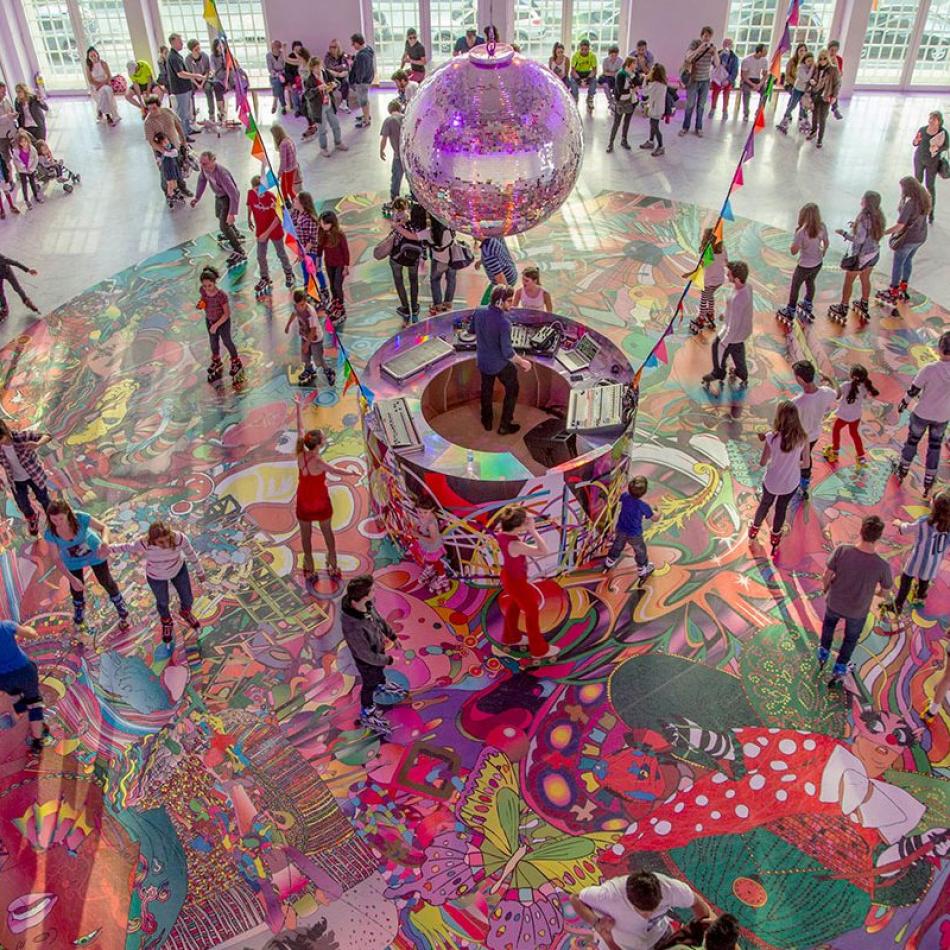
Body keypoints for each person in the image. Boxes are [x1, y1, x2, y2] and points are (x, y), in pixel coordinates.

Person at [820, 515, 892, 689]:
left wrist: (826, 589)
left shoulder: (842, 550)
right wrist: (872, 591)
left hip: (835, 601)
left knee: (829, 627)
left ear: (861, 531)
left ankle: (823, 653)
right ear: (878, 537)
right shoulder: (882, 565)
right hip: (858, 610)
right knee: (850, 639)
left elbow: (826, 575)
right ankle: (839, 667)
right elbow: (885, 592)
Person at [571, 869, 713, 950]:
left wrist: (708, 931)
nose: (648, 915)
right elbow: (575, 898)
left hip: (661, 937)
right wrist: (596, 923)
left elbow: (696, 901)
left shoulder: (670, 888)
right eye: (642, 911)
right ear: (628, 899)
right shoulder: (608, 895)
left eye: (653, 908)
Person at [44, 499, 130, 632]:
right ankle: (79, 608)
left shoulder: (80, 518)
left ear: (68, 513)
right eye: (54, 520)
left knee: (105, 580)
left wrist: (105, 542)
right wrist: (72, 579)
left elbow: (103, 527)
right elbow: (55, 558)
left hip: (95, 552)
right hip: (72, 560)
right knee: (76, 587)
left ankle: (119, 602)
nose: (58, 523)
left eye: (61, 519)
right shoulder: (50, 533)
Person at [111, 522, 204, 644]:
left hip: (178, 569)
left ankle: (185, 612)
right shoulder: (144, 543)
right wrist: (107, 548)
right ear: (152, 539)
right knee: (162, 601)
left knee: (187, 597)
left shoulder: (179, 538)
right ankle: (166, 621)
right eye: (161, 542)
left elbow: (190, 554)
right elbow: (126, 547)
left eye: (167, 539)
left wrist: (200, 571)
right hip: (156, 576)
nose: (166, 544)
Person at [341, 573, 401, 734]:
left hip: (377, 650)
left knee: (378, 673)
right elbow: (364, 654)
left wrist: (392, 636)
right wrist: (387, 659)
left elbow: (379, 620)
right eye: (372, 590)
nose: (375, 591)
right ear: (363, 596)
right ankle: (367, 712)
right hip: (367, 661)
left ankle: (381, 683)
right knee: (369, 684)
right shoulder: (353, 626)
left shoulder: (366, 605)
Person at [294, 394, 347, 579]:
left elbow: (300, 428)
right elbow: (337, 471)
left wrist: (298, 407)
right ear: (320, 444)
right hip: (320, 501)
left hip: (304, 501)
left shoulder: (300, 452)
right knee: (327, 532)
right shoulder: (318, 461)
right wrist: (352, 473)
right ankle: (333, 564)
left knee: (305, 535)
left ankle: (309, 565)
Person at [495, 505, 556, 659]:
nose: (529, 521)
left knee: (515, 605)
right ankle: (539, 650)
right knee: (532, 611)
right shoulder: (516, 545)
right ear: (518, 526)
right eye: (525, 521)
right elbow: (544, 551)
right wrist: (533, 531)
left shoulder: (501, 534)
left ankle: (511, 637)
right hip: (516, 582)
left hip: (509, 576)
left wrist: (524, 523)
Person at [748, 401, 809, 555]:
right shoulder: (803, 438)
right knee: (781, 508)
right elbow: (806, 463)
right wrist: (793, 464)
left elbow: (763, 462)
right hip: (790, 483)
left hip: (772, 481)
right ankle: (775, 540)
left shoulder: (772, 437)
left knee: (765, 504)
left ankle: (753, 532)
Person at [894, 329, 950, 496]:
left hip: (922, 413)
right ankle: (929, 479)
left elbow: (914, 389)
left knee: (912, 441)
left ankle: (903, 468)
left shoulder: (929, 369)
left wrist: (904, 403)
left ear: (940, 348)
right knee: (935, 447)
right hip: (942, 416)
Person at [475, 285, 531, 435]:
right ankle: (505, 425)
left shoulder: (479, 311)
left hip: (482, 361)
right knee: (513, 388)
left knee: (486, 390)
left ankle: (487, 421)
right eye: (509, 301)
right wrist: (523, 362)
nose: (511, 305)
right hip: (499, 364)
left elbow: (471, 331)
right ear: (500, 302)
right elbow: (508, 353)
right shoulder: (503, 323)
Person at [886, 491, 949, 616]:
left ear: (934, 507)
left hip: (918, 558)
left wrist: (898, 523)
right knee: (925, 579)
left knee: (906, 578)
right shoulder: (948, 525)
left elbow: (907, 528)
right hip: (934, 561)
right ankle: (920, 597)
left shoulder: (925, 521)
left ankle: (898, 604)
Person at [827, 190, 885, 324]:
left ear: (866, 202)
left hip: (862, 256)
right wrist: (856, 226)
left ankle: (843, 307)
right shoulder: (879, 216)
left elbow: (859, 239)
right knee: (865, 278)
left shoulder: (863, 218)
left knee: (849, 281)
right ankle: (864, 303)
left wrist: (844, 234)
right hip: (874, 253)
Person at [878, 176, 931, 304]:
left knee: (898, 263)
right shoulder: (925, 199)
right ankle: (903, 287)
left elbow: (900, 226)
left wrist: (883, 232)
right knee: (908, 260)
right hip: (921, 236)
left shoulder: (910, 204)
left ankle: (893, 290)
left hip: (908, 238)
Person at [0, 620, 50, 754]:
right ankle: (37, 741)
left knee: (15, 695)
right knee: (34, 702)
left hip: (3, 679)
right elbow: (32, 634)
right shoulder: (5, 626)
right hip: (24, 671)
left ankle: (20, 716)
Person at [791, 359, 837, 498]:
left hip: (799, 438)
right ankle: (804, 484)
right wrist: (830, 380)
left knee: (796, 459)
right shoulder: (826, 392)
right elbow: (837, 393)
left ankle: (794, 482)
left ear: (799, 379)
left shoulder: (797, 402)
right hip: (814, 435)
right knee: (807, 456)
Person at [702, 260, 752, 388]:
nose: (727, 276)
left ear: (736, 279)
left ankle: (718, 373)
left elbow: (733, 326)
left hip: (734, 333)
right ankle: (742, 374)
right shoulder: (747, 287)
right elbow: (736, 311)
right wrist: (725, 313)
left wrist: (724, 342)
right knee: (738, 352)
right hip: (741, 331)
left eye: (729, 274)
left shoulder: (738, 299)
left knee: (717, 347)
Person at [191, 151, 245, 265]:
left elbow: (234, 194)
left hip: (228, 198)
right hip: (219, 196)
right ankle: (235, 232)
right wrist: (197, 197)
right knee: (218, 215)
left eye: (205, 163)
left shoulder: (222, 174)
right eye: (201, 163)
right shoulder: (205, 170)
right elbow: (202, 181)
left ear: (213, 160)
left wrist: (232, 213)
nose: (202, 166)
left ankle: (239, 250)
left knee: (223, 225)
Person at [776, 202, 828, 323]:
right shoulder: (822, 226)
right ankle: (808, 304)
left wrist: (795, 240)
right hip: (818, 263)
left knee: (795, 286)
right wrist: (824, 251)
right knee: (810, 282)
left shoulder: (802, 232)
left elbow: (794, 251)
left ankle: (790, 309)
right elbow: (826, 241)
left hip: (804, 265)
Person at [0, 419, 52, 536]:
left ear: (6, 432)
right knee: (22, 503)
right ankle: (32, 518)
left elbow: (47, 436)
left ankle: (52, 518)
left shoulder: (21, 436)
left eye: (1, 440)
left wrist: (37, 444)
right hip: (16, 480)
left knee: (43, 498)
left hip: (34, 475)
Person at [246, 174, 294, 293]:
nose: (259, 192)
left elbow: (278, 218)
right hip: (261, 230)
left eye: (261, 189)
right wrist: (248, 218)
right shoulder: (251, 194)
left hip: (274, 230)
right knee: (260, 255)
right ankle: (265, 277)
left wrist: (266, 234)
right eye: (256, 190)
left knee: (281, 253)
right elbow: (249, 206)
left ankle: (288, 272)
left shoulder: (271, 197)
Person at [823, 364, 878, 466]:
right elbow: (864, 396)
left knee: (836, 429)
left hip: (844, 416)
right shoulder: (865, 387)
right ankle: (861, 456)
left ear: (852, 376)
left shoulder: (845, 386)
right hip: (856, 417)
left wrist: (830, 380)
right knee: (854, 434)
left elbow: (836, 395)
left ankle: (835, 451)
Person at [196, 265, 242, 384]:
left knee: (227, 341)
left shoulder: (221, 295)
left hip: (222, 322)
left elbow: (227, 314)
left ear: (214, 282)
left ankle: (236, 361)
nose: (207, 288)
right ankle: (216, 360)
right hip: (210, 320)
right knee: (213, 342)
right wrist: (201, 303)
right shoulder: (203, 291)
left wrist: (216, 325)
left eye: (209, 285)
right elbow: (204, 299)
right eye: (204, 286)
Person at [604, 475, 655, 576]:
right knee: (640, 550)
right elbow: (654, 518)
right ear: (644, 492)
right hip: (634, 534)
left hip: (621, 529)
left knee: (617, 545)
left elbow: (616, 498)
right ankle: (642, 568)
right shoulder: (643, 506)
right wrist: (658, 513)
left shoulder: (625, 496)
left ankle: (610, 560)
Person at [388, 197, 427, 323]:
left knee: (398, 280)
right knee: (413, 280)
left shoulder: (401, 224)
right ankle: (415, 307)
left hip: (397, 256)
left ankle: (405, 307)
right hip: (413, 258)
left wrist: (396, 225)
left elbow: (395, 234)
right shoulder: (424, 230)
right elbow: (423, 245)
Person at [285, 289, 335, 387]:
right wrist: (288, 325)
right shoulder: (296, 307)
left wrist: (307, 345)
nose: (301, 307)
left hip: (315, 338)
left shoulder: (310, 312)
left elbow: (313, 330)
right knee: (305, 356)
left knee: (318, 359)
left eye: (303, 304)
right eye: (299, 305)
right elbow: (294, 313)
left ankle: (329, 371)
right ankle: (309, 369)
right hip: (305, 336)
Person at [143, 95, 189, 198]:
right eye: (149, 109)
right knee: (166, 174)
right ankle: (168, 194)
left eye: (154, 108)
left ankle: (182, 187)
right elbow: (151, 141)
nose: (152, 111)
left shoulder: (168, 112)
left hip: (176, 146)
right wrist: (164, 152)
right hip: (162, 152)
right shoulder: (148, 122)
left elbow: (178, 126)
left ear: (159, 106)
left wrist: (183, 141)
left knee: (178, 169)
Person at [688, 226, 726, 333]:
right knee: (710, 296)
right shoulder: (723, 249)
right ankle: (710, 313)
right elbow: (725, 261)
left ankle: (701, 318)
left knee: (704, 299)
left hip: (709, 282)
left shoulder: (708, 253)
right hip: (719, 280)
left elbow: (703, 266)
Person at [306, 57, 347, 157]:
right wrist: (317, 89)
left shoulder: (325, 73)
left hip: (329, 104)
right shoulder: (309, 80)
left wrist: (334, 84)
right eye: (315, 67)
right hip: (318, 109)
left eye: (319, 66)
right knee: (322, 129)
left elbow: (338, 82)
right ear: (311, 68)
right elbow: (307, 95)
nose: (318, 69)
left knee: (336, 125)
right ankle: (323, 148)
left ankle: (338, 142)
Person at [680, 26, 716, 136]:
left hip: (705, 80)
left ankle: (698, 128)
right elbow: (689, 57)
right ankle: (685, 127)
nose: (707, 38)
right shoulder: (695, 44)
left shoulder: (712, 47)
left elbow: (717, 64)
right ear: (701, 35)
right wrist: (700, 48)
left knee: (701, 106)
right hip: (693, 79)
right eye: (705, 36)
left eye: (709, 36)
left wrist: (715, 52)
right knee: (690, 104)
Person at [913, 111, 946, 224]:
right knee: (917, 183)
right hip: (919, 159)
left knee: (930, 186)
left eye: (934, 119)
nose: (931, 120)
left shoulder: (943, 132)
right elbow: (915, 142)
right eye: (930, 118)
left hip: (932, 162)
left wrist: (937, 148)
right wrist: (915, 141)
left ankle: (931, 211)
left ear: (939, 121)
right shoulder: (922, 129)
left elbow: (946, 146)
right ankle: (915, 208)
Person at [317, 210, 350, 320]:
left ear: (332, 223)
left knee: (337, 285)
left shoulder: (339, 235)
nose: (323, 226)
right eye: (321, 223)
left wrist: (346, 266)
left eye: (325, 224)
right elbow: (319, 249)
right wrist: (318, 263)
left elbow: (345, 251)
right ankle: (335, 302)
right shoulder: (322, 233)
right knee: (332, 286)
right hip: (329, 264)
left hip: (339, 264)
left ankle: (340, 307)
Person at [414, 496, 451, 593]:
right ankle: (430, 569)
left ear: (431, 510)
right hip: (426, 545)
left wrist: (417, 535)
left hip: (432, 547)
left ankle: (442, 577)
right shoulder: (425, 517)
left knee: (436, 562)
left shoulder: (431, 523)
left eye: (425, 512)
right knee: (429, 559)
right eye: (419, 512)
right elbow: (420, 523)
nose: (421, 515)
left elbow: (433, 540)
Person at [805, 48, 840, 149]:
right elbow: (814, 79)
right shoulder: (817, 68)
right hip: (816, 94)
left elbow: (837, 84)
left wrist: (834, 96)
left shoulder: (833, 69)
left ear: (828, 58)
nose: (822, 60)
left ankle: (820, 138)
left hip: (826, 96)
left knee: (822, 118)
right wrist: (813, 82)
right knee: (814, 115)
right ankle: (813, 131)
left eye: (824, 58)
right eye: (820, 58)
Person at [166, 34, 197, 138]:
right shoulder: (173, 57)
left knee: (186, 111)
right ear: (173, 42)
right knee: (182, 113)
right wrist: (196, 76)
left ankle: (188, 129)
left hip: (185, 88)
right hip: (180, 89)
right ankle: (183, 135)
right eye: (179, 41)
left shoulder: (177, 55)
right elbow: (180, 73)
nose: (182, 43)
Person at [778, 50, 814, 134]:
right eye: (808, 61)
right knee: (792, 105)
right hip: (797, 89)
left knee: (803, 107)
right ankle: (785, 119)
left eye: (811, 61)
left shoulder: (811, 68)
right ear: (804, 60)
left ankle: (803, 121)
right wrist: (812, 69)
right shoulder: (800, 67)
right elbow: (805, 78)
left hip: (805, 90)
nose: (810, 63)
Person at [427, 214, 457, 314]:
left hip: (438, 261)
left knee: (435, 280)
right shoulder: (450, 230)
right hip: (451, 259)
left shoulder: (430, 233)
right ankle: (448, 302)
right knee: (451, 279)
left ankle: (438, 305)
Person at [606, 56, 637, 152]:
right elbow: (620, 90)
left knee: (627, 122)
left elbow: (637, 82)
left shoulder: (632, 74)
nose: (636, 65)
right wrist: (631, 89)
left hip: (630, 100)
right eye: (634, 63)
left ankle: (624, 140)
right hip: (621, 101)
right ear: (629, 64)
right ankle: (610, 143)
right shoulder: (621, 74)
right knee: (617, 123)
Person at [380, 99, 405, 211]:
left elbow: (384, 138)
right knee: (411, 179)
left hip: (398, 156)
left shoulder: (388, 120)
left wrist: (381, 150)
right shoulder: (406, 118)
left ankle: (395, 200)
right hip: (409, 156)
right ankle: (415, 199)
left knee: (396, 178)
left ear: (389, 110)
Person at [476, 236, 518, 302]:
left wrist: (505, 298)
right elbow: (497, 254)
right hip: (511, 271)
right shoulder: (495, 234)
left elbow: (500, 277)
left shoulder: (487, 250)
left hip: (505, 280)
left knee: (486, 305)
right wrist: (481, 261)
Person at [639, 63, 669, 157]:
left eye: (652, 70)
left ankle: (661, 146)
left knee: (655, 127)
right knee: (652, 125)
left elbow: (644, 92)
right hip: (657, 108)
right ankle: (651, 141)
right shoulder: (662, 83)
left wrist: (645, 78)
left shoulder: (656, 84)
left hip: (656, 109)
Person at [85, 47, 119, 126]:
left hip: (105, 83)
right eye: (91, 56)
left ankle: (101, 111)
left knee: (106, 90)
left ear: (97, 54)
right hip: (95, 86)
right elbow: (90, 80)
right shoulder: (88, 67)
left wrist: (102, 84)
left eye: (94, 55)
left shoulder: (103, 63)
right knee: (104, 92)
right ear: (89, 58)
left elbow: (109, 76)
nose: (93, 57)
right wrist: (98, 85)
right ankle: (108, 116)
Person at [0, 252, 39, 317]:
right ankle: (4, 307)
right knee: (0, 292)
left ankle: (27, 301)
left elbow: (15, 263)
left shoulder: (1, 258)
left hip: (7, 272)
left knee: (17, 288)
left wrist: (28, 270)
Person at [349, 33, 376, 129]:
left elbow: (360, 71)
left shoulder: (361, 56)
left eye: (353, 44)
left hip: (362, 82)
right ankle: (366, 115)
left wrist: (357, 81)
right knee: (365, 99)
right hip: (368, 79)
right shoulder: (368, 49)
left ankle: (366, 121)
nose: (353, 46)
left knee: (363, 101)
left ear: (357, 43)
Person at [11, 130, 42, 209]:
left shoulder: (32, 149)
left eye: (25, 141)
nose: (24, 143)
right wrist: (23, 167)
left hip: (31, 170)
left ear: (28, 140)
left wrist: (32, 168)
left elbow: (36, 158)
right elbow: (16, 161)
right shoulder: (17, 151)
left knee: (33, 183)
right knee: (24, 185)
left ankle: (36, 196)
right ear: (19, 143)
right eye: (21, 142)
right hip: (23, 171)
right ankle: (26, 200)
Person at [708, 38, 738, 118]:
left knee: (727, 91)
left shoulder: (734, 58)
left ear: (732, 46)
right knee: (716, 91)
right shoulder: (718, 53)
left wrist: (728, 80)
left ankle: (725, 110)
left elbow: (734, 72)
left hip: (727, 78)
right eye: (725, 43)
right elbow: (713, 65)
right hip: (717, 78)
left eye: (729, 44)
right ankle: (713, 108)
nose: (727, 45)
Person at [154, 131, 184, 209]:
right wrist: (159, 160)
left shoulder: (171, 147)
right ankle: (170, 196)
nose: (166, 143)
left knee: (174, 181)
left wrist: (165, 152)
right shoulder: (159, 151)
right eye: (163, 142)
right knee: (169, 183)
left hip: (173, 167)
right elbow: (159, 158)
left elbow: (175, 153)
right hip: (167, 169)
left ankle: (176, 192)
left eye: (166, 140)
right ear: (160, 144)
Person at [186, 38, 212, 125]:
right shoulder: (187, 59)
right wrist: (196, 83)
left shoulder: (204, 56)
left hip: (204, 78)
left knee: (208, 89)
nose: (198, 50)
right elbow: (189, 74)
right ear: (191, 50)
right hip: (194, 79)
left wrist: (203, 82)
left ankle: (211, 114)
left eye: (199, 48)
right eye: (196, 49)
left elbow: (208, 70)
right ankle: (192, 114)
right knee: (189, 92)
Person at [739, 44, 768, 121]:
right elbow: (743, 76)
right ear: (759, 52)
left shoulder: (764, 60)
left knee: (765, 91)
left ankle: (759, 112)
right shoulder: (747, 60)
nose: (767, 52)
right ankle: (746, 113)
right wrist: (753, 85)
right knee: (746, 91)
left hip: (757, 80)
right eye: (765, 51)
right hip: (747, 80)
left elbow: (765, 75)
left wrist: (759, 84)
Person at [271, 124, 300, 200]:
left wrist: (279, 173)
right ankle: (287, 200)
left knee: (288, 189)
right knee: (284, 185)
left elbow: (283, 162)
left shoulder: (282, 145)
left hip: (288, 169)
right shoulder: (288, 139)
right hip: (293, 166)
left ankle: (295, 202)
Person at [571, 39, 598, 112]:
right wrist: (579, 80)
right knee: (573, 82)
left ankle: (590, 98)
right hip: (577, 72)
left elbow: (594, 70)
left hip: (587, 73)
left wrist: (588, 79)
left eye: (586, 49)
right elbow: (573, 70)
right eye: (582, 49)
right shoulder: (575, 56)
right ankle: (575, 97)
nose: (584, 51)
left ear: (589, 49)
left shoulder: (592, 56)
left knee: (594, 80)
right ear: (580, 48)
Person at [324, 40, 350, 112]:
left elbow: (347, 68)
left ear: (338, 47)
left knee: (346, 82)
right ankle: (330, 106)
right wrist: (339, 70)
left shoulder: (343, 55)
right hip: (333, 77)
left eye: (334, 47)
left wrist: (339, 71)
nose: (332, 49)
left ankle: (344, 104)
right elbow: (328, 69)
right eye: (330, 47)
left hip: (342, 76)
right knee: (332, 85)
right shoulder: (327, 56)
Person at [266, 39, 287, 114]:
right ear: (272, 47)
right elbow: (270, 69)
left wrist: (281, 74)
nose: (276, 48)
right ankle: (283, 106)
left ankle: (275, 100)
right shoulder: (268, 55)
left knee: (277, 83)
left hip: (283, 75)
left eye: (278, 47)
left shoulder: (282, 54)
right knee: (278, 83)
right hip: (274, 75)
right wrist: (277, 74)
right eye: (274, 47)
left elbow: (285, 66)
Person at [827, 39, 844, 119]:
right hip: (826, 79)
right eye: (832, 50)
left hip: (834, 79)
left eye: (835, 50)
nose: (833, 52)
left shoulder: (839, 59)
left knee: (837, 83)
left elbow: (839, 73)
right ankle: (834, 108)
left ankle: (835, 108)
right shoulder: (824, 57)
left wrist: (836, 62)